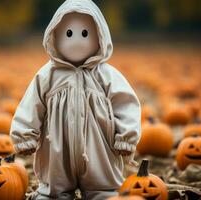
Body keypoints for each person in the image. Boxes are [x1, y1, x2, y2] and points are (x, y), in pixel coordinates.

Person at [10, 0, 141, 199]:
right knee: (55, 178)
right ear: (55, 36)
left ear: (99, 37)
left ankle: (103, 192)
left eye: (85, 34)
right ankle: (54, 194)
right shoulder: (48, 75)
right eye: (69, 34)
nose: (77, 41)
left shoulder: (106, 75)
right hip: (56, 148)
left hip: (100, 148)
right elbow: (31, 104)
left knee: (103, 181)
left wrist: (126, 136)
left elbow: (126, 103)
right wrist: (24, 135)